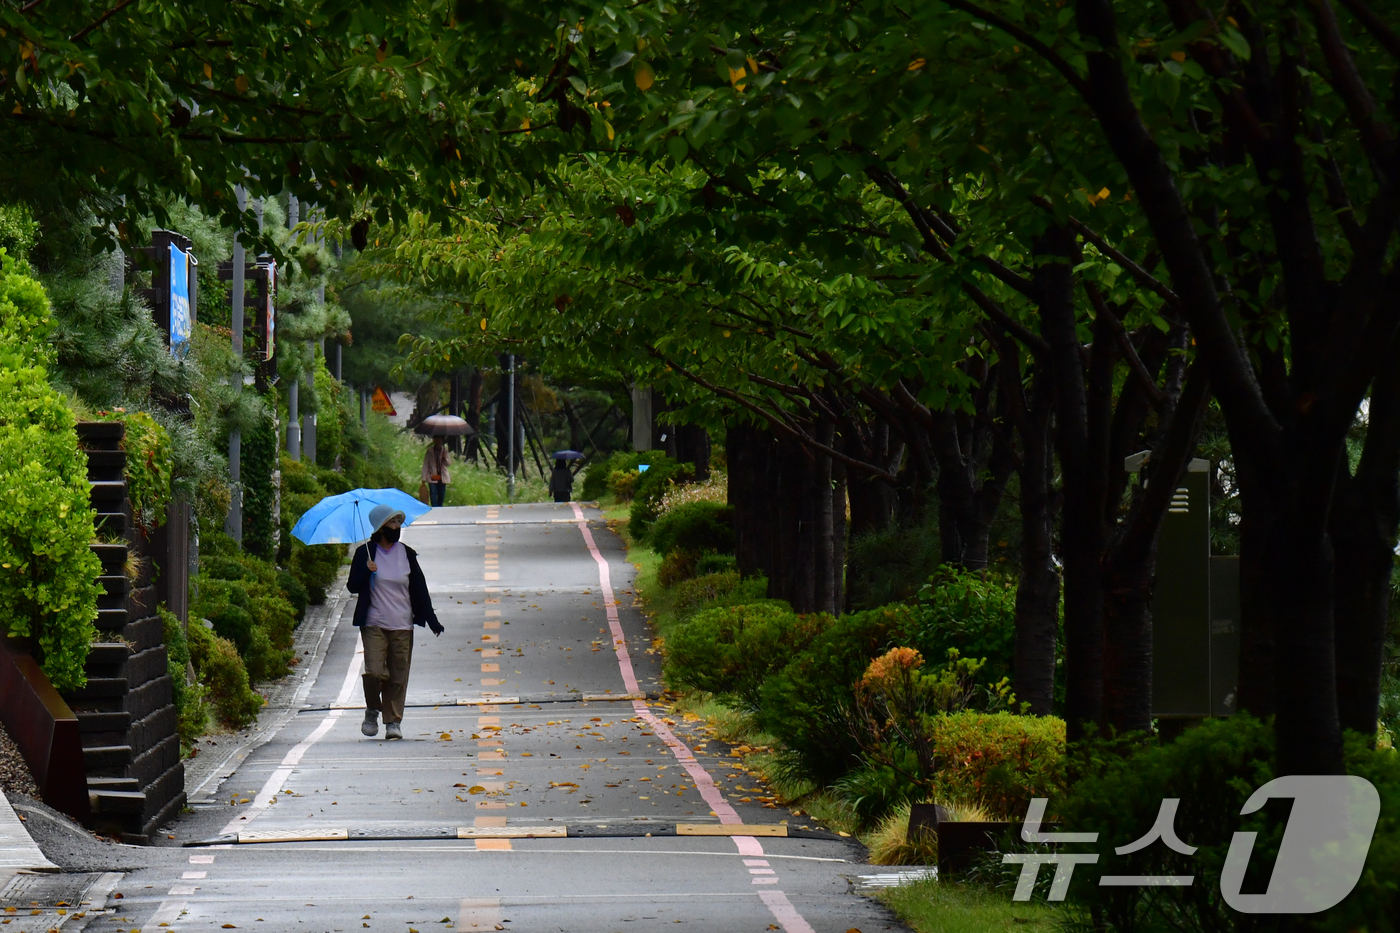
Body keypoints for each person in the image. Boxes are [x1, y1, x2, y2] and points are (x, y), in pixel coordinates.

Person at [346, 504, 443, 740]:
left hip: (402, 624)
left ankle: (392, 722)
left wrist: (431, 619)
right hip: (374, 623)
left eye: (399, 523)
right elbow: (352, 586)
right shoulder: (365, 553)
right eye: (392, 523)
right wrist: (366, 572)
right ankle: (372, 709)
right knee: (375, 672)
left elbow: (419, 589)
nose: (397, 527)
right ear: (380, 527)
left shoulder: (407, 554)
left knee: (399, 675)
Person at [422, 436, 450, 507]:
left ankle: (440, 509)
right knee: (433, 494)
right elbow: (426, 464)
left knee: (441, 495)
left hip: (442, 477)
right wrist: (423, 478)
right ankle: (434, 509)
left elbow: (448, 464)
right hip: (432, 476)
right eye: (436, 439)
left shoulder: (444, 451)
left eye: (440, 439)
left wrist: (445, 458)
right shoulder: (429, 451)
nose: (438, 441)